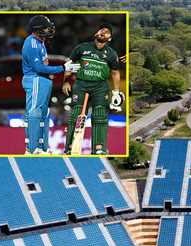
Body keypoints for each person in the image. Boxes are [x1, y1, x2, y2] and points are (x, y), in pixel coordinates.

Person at [22, 15, 80, 154]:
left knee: (44, 113)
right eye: (46, 28)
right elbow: (39, 68)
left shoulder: (40, 42)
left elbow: (44, 65)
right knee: (34, 112)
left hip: (43, 80)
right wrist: (63, 68)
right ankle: (31, 148)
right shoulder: (31, 43)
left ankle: (42, 147)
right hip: (35, 79)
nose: (49, 30)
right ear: (38, 29)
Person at [62, 23, 124, 155]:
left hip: (100, 86)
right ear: (95, 33)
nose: (102, 33)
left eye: (106, 32)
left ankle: (99, 148)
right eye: (100, 30)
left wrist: (116, 92)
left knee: (100, 115)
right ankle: (68, 147)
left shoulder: (111, 54)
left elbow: (115, 73)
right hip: (81, 84)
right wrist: (66, 81)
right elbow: (69, 64)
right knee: (75, 114)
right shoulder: (82, 48)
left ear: (110, 39)